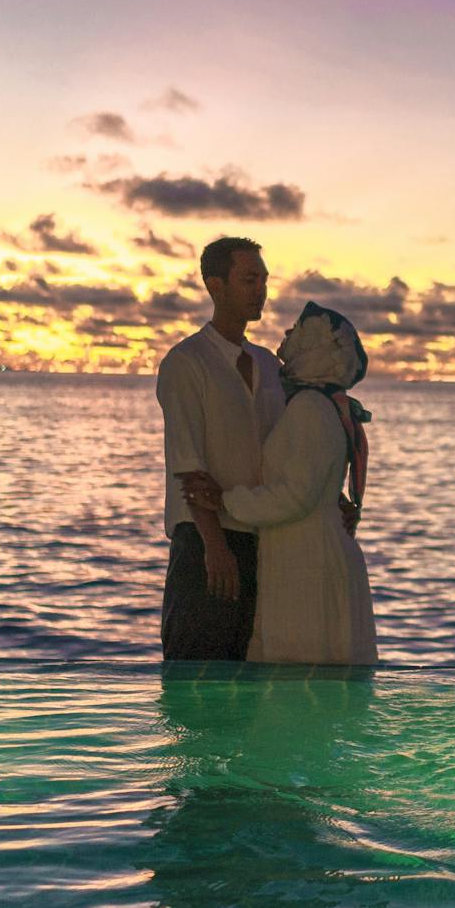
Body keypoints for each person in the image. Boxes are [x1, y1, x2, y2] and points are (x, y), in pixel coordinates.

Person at [187, 302, 377, 665]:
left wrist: (226, 500)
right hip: (310, 552)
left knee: (298, 683)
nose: (287, 334)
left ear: (315, 349)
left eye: (298, 331)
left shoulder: (309, 408)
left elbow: (295, 495)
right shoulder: (321, 405)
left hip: (307, 561)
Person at [156, 236, 284, 662]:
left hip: (262, 541)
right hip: (203, 542)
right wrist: (215, 547)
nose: (260, 290)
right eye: (249, 279)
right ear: (216, 285)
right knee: (194, 685)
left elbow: (289, 448)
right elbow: (187, 461)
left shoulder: (269, 365)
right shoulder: (186, 361)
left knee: (248, 693)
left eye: (264, 280)